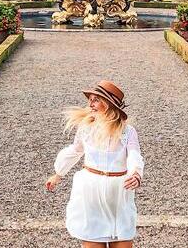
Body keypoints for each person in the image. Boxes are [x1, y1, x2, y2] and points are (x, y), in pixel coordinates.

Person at [46, 80, 144, 247]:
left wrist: (136, 173)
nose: (90, 103)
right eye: (90, 99)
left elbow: (134, 155)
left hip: (118, 195)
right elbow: (75, 150)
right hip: (90, 192)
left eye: (96, 99)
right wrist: (58, 173)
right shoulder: (86, 128)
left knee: (122, 240)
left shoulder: (128, 131)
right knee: (93, 241)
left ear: (109, 104)